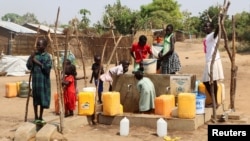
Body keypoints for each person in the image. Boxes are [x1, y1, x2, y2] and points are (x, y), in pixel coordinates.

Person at [26, 38, 52, 124]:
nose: (37, 46)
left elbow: (47, 68)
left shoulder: (47, 56)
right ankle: (36, 116)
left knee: (42, 98)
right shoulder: (34, 55)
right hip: (36, 81)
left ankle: (41, 116)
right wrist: (31, 58)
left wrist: (37, 62)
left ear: (44, 46)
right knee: (36, 98)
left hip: (44, 81)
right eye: (37, 44)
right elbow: (28, 66)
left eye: (39, 45)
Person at [202, 21, 224, 108]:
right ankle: (214, 101)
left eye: (207, 26)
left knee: (211, 81)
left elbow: (217, 32)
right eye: (204, 26)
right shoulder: (207, 36)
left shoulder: (212, 35)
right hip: (209, 60)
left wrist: (219, 23)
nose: (205, 28)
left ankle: (215, 102)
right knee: (207, 82)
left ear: (211, 28)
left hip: (213, 60)